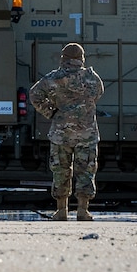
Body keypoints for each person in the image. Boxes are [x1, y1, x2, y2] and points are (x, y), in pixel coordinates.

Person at [30, 42, 105, 221]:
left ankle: (61, 210)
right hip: (86, 133)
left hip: (61, 133)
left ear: (63, 58)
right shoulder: (92, 78)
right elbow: (98, 94)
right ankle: (82, 210)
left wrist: (51, 111)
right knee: (86, 170)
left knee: (61, 170)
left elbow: (34, 95)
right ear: (82, 59)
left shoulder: (53, 78)